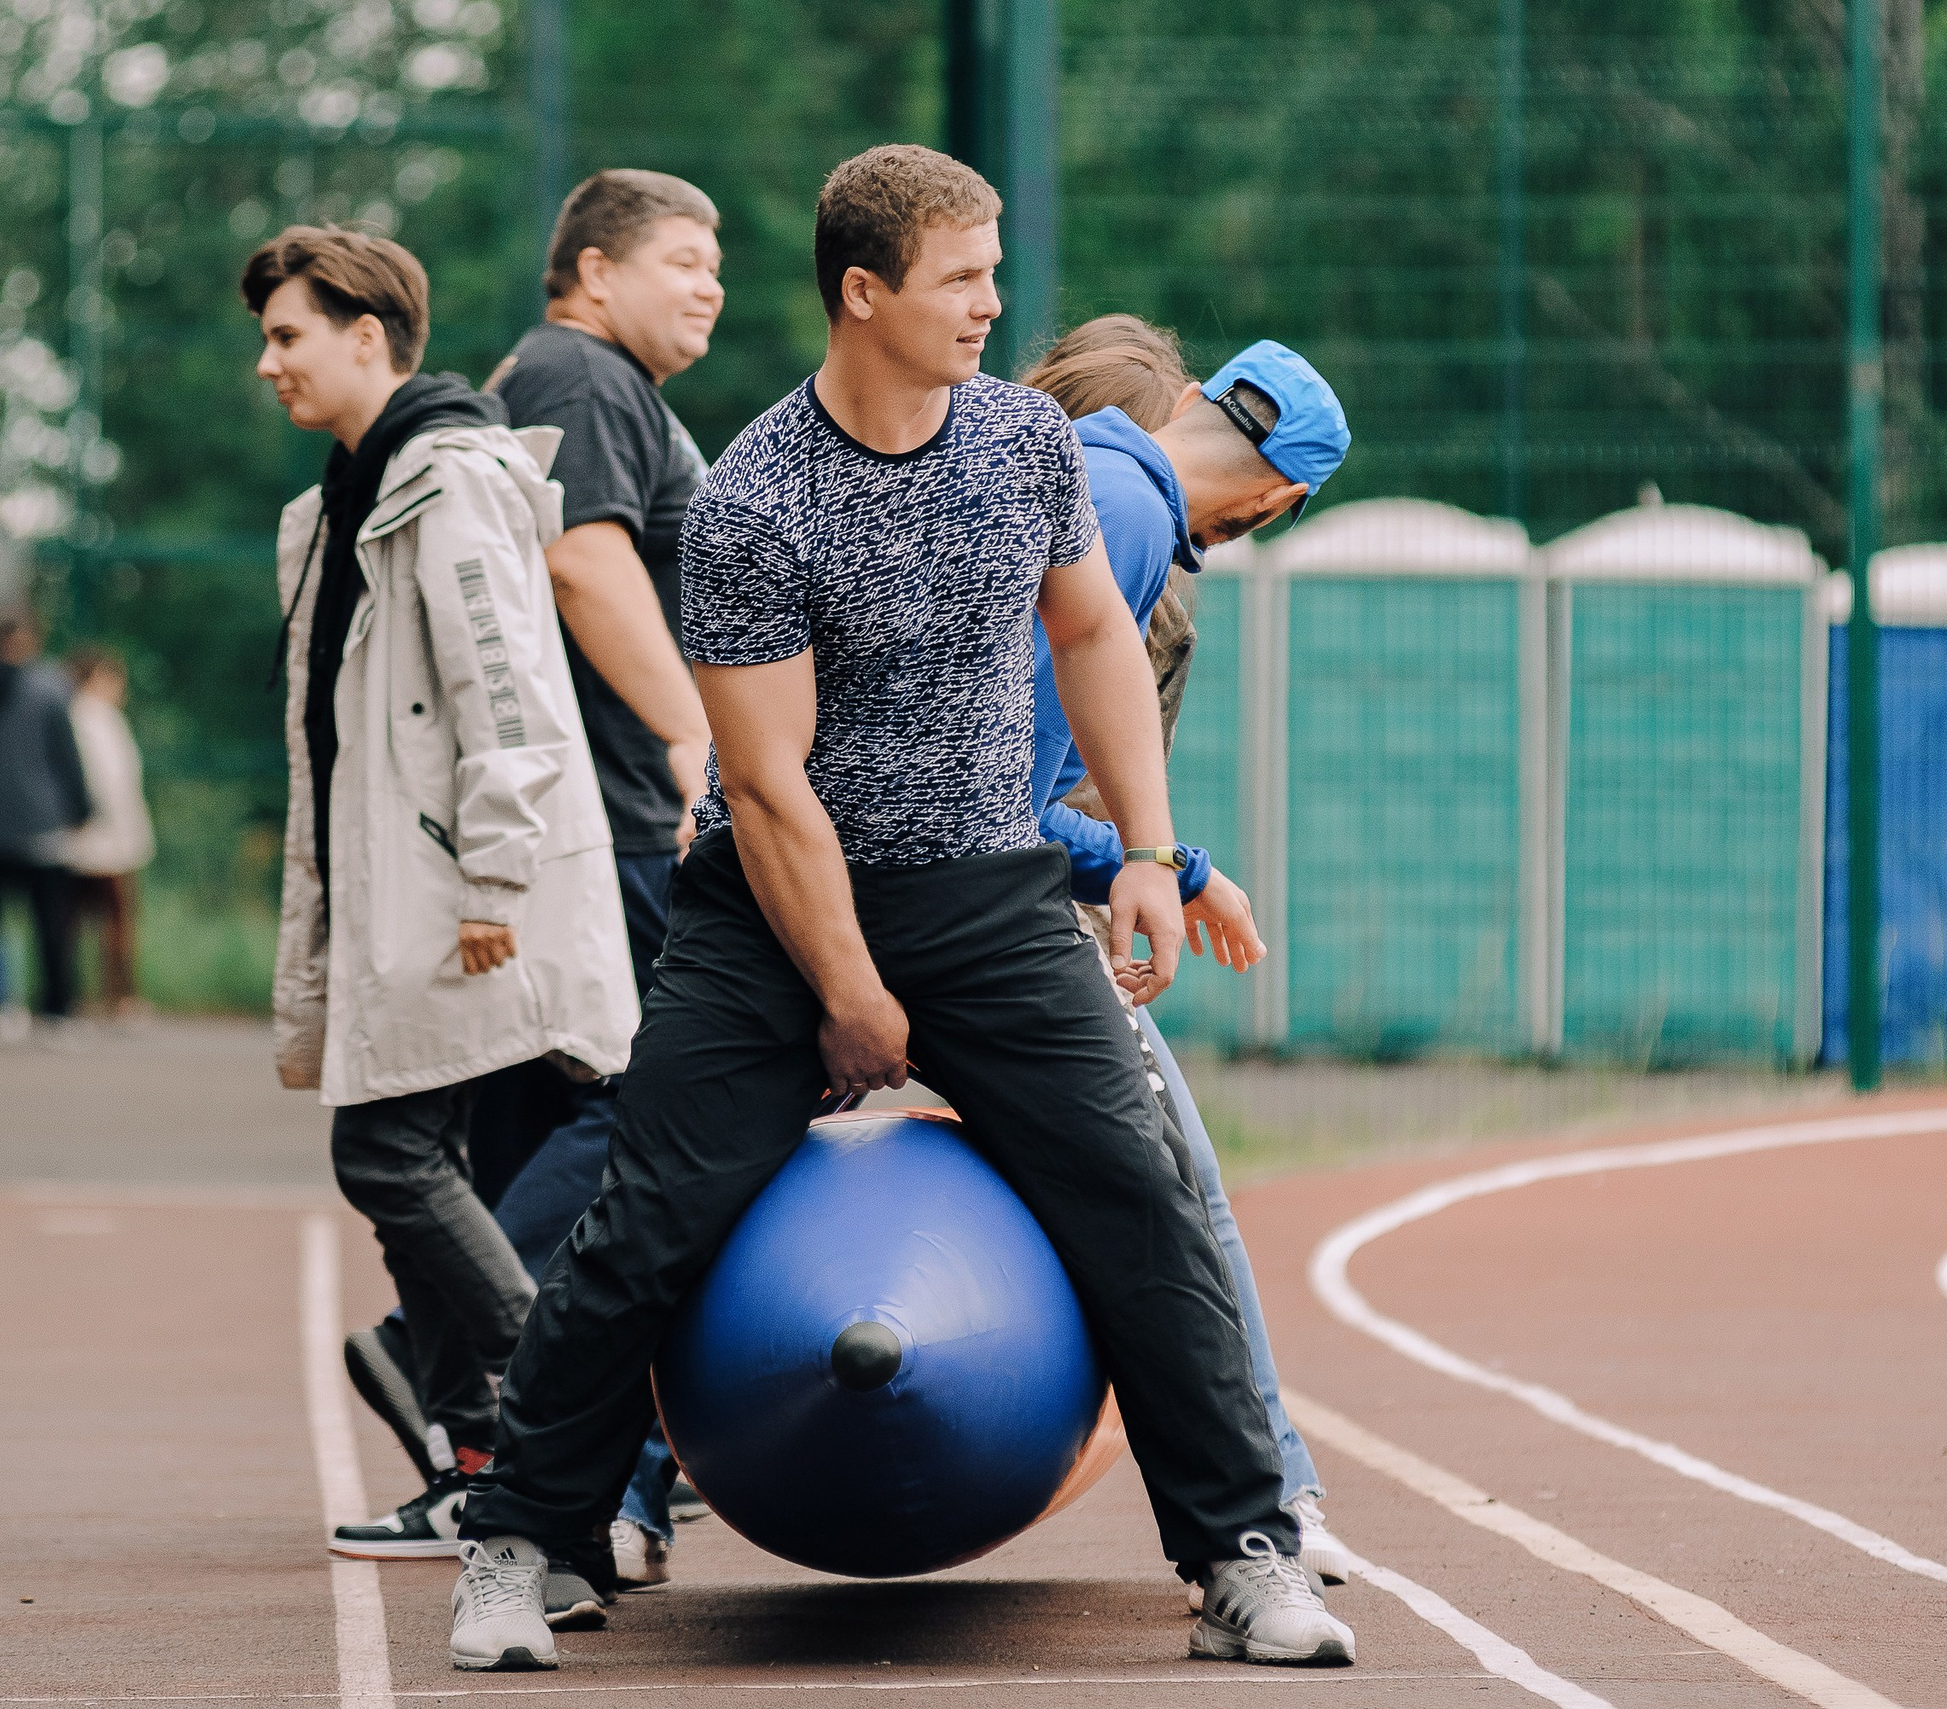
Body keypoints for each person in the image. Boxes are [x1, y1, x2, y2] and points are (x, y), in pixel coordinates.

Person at [446, 144, 1354, 1673]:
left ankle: (1244, 1550)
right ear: (863, 293)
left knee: (1139, 1197)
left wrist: (1147, 848)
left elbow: (1092, 636)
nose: (995, 307)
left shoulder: (1028, 446)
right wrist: (850, 991)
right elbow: (774, 787)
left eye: (995, 272)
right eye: (963, 279)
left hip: (989, 895)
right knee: (646, 1221)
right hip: (773, 914)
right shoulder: (752, 501)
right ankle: (518, 1541)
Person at [338, 170, 725, 1589]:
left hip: (560, 823)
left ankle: (533, 1467)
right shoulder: (580, 366)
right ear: (591, 267)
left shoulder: (553, 378)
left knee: (525, 1133)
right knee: (641, 1108)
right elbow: (579, 557)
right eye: (684, 259)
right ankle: (457, 1358)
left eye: (721, 267)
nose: (709, 287)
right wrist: (694, 733)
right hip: (612, 821)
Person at [241, 226, 639, 1565]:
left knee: (386, 1151)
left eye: (289, 334)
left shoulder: (450, 479)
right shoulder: (342, 500)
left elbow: (507, 691)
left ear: (370, 336)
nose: (268, 361)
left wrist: (495, 874)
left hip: (459, 892)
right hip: (390, 890)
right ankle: (476, 1463)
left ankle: (553, 1416)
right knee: (429, 1158)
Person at [1018, 314, 1370, 1595]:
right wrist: (1158, 869)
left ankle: (590, 1503)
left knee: (678, 1180)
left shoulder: (1103, 485)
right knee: (1176, 1189)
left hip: (845, 879)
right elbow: (1001, 800)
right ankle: (1261, 1515)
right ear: (1275, 498)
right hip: (955, 910)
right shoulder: (1114, 509)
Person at [0, 610, 90, 1036]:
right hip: (42, 824)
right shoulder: (49, 687)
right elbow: (67, 756)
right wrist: (79, 809)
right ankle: (56, 1010)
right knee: (51, 925)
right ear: (28, 640)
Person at [59, 647, 155, 1021]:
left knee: (71, 924)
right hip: (107, 842)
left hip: (81, 839)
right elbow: (112, 783)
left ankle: (71, 996)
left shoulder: (73, 715)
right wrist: (125, 832)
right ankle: (119, 999)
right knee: (117, 925)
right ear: (96, 678)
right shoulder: (98, 720)